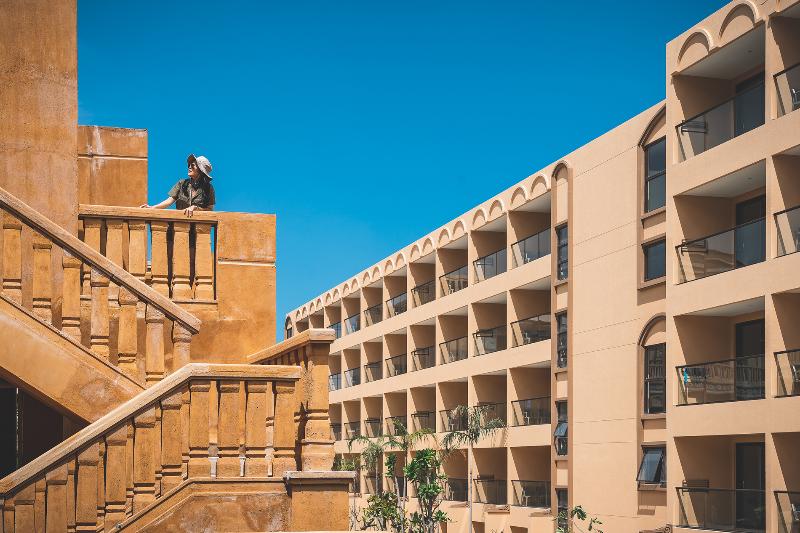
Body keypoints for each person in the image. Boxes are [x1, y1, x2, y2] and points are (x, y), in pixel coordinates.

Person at [141, 154, 216, 216]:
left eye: (193, 165)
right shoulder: (182, 183)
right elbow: (169, 201)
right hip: (180, 225)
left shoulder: (208, 188)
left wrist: (195, 208)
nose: (189, 167)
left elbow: (210, 209)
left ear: (200, 170)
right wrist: (152, 208)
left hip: (197, 227)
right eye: (189, 165)